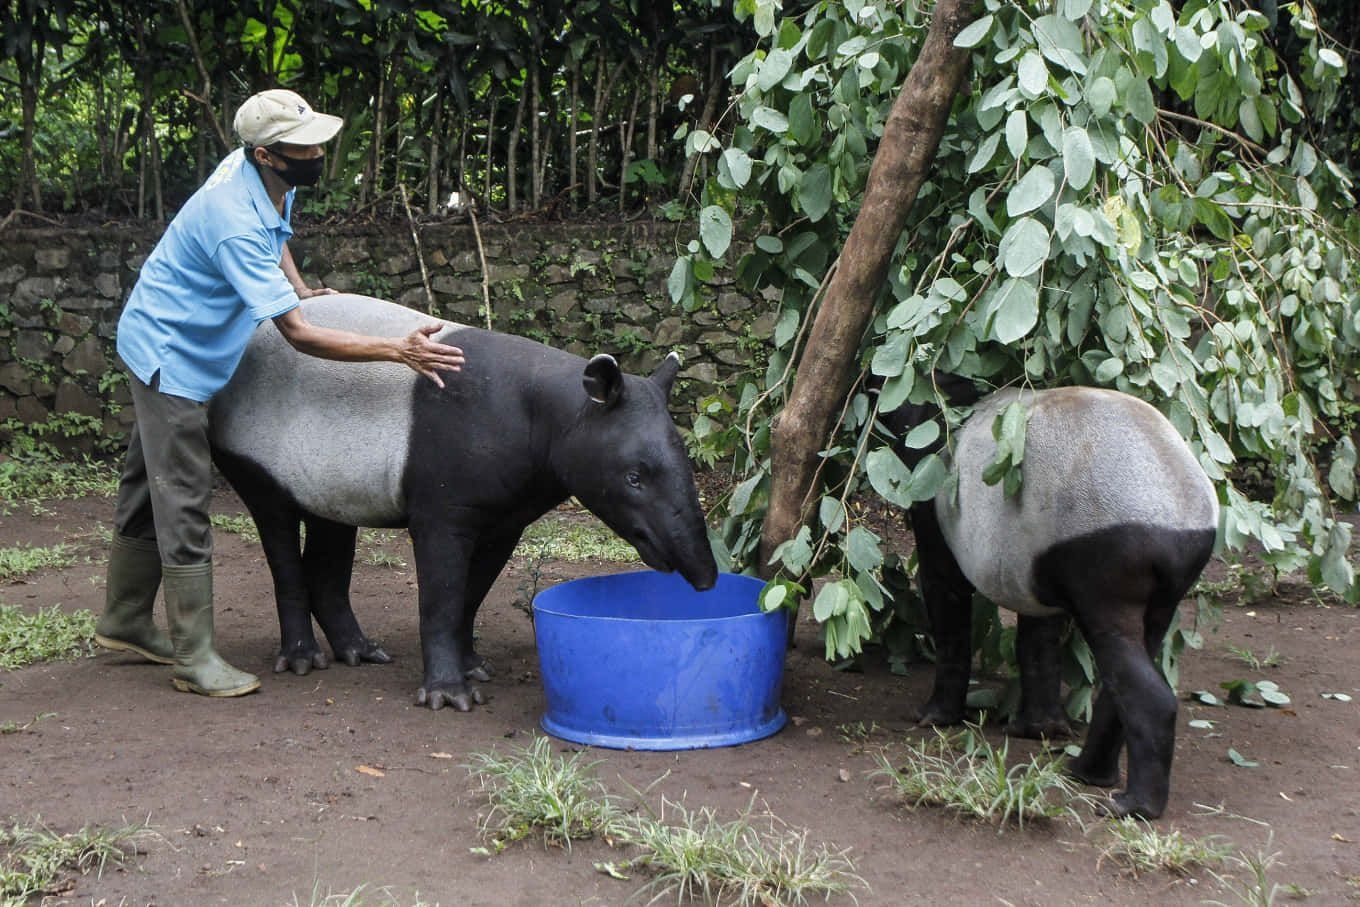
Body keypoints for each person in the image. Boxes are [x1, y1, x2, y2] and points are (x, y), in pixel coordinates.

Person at [94, 88, 465, 698]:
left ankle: (126, 621)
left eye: (317, 139)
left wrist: (299, 287)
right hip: (171, 356)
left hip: (180, 337)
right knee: (182, 495)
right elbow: (297, 336)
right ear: (267, 155)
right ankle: (195, 658)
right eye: (303, 147)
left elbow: (280, 237)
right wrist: (398, 349)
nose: (317, 152)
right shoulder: (231, 219)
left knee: (145, 484)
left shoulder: (259, 175)